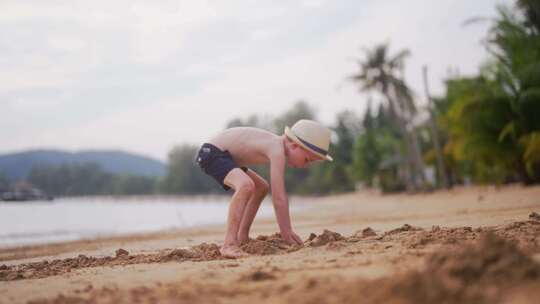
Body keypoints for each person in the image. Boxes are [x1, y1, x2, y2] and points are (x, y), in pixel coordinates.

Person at [195, 119, 333, 258]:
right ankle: (229, 244)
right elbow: (279, 198)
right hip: (212, 153)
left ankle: (242, 237)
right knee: (245, 185)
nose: (305, 165)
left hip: (228, 157)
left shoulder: (276, 145)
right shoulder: (276, 149)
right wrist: (286, 231)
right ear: (294, 146)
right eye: (307, 160)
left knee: (261, 187)